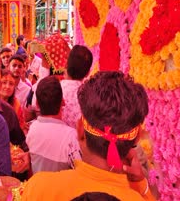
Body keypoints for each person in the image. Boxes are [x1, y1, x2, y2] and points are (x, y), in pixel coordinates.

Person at [21, 71, 155, 200]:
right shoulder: (137, 197)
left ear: (80, 130)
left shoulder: (38, 188)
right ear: (136, 138)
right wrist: (141, 184)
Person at [26, 76, 81, 174]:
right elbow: (79, 171)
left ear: (37, 105)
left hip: (36, 187)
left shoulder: (32, 129)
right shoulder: (71, 137)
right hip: (61, 189)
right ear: (63, 102)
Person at [0, 69, 27, 135]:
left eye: (11, 84)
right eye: (4, 82)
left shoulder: (16, 104)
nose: (7, 87)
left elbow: (21, 127)